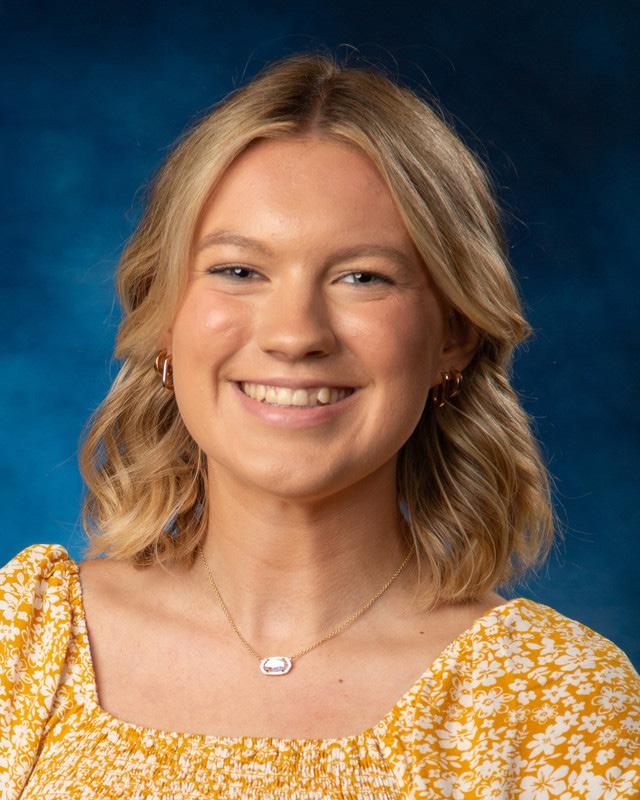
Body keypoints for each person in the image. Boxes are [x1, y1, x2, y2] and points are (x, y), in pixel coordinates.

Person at [1, 50, 638, 799]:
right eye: (239, 271)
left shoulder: (562, 704)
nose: (295, 334)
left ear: (454, 335)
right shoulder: (22, 645)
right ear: (163, 314)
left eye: (362, 277)